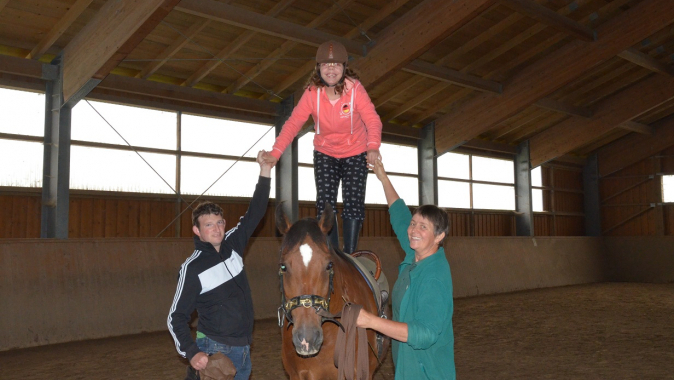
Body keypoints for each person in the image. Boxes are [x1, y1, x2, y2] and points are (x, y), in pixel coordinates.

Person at [261, 40, 382, 254]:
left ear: (345, 67)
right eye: (326, 65)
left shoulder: (356, 91)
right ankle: (332, 252)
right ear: (318, 68)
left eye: (336, 64)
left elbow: (372, 120)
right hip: (325, 152)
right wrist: (275, 153)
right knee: (325, 204)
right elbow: (293, 123)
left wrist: (372, 146)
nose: (331, 69)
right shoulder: (312, 93)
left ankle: (351, 253)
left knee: (353, 202)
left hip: (355, 151)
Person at [167, 150, 273, 380]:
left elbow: (255, 212)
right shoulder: (192, 268)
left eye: (218, 223)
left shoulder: (233, 244)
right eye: (208, 225)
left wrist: (265, 171)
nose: (216, 229)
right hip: (216, 350)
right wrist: (192, 352)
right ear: (197, 231)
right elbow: (176, 317)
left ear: (224, 223)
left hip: (243, 348)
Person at [356, 159, 455, 380]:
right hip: (407, 366)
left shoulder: (434, 277)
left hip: (427, 372)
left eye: (423, 227)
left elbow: (425, 333)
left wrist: (371, 321)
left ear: (439, 236)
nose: (413, 230)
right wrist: (382, 176)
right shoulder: (415, 254)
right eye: (414, 224)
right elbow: (399, 214)